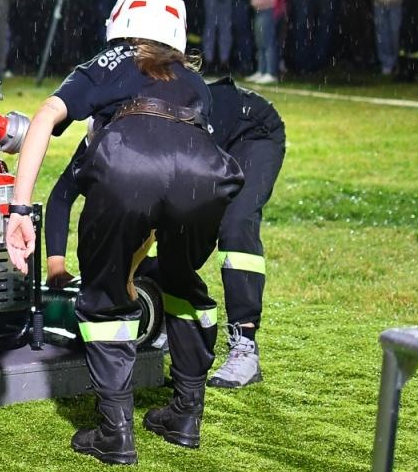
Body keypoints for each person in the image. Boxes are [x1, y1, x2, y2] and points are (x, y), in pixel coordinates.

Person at [5, 0, 242, 465]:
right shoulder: (195, 81)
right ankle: (187, 414)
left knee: (106, 295)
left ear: (120, 22)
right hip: (207, 173)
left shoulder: (110, 61)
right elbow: (177, 157)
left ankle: (115, 432)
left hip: (131, 163)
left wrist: (20, 210)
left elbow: (47, 115)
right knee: (182, 282)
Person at [43, 75, 286, 388]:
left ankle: (245, 345)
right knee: (166, 247)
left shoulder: (160, 135)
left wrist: (126, 275)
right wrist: (57, 266)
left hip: (249, 129)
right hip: (190, 142)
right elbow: (62, 197)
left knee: (234, 225)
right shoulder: (102, 137)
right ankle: (168, 324)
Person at [237, 0, 281, 84]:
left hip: (267, 9)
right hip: (258, 10)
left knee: (268, 42)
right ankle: (261, 70)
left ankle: (271, 72)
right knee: (260, 42)